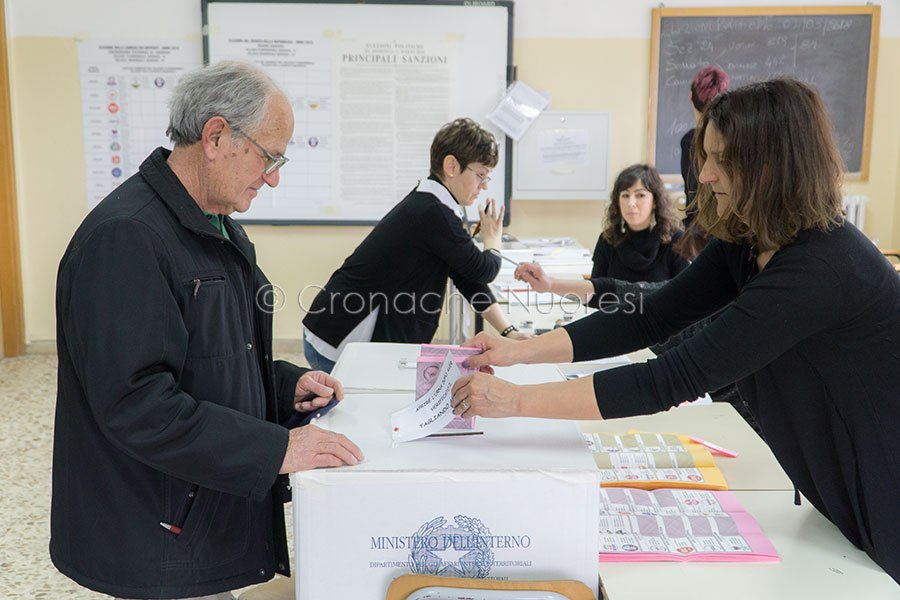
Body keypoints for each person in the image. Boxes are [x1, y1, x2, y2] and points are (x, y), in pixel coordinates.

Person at [451, 78, 900, 584]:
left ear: (774, 167)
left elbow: (672, 378)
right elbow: (652, 316)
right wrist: (520, 351)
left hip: (880, 478)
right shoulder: (750, 239)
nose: (704, 174)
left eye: (720, 160)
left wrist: (515, 402)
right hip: (831, 473)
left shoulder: (821, 267)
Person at [51, 61, 364, 600]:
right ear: (216, 136)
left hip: (198, 513)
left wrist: (282, 384)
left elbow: (210, 356)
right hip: (156, 533)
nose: (273, 177)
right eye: (269, 157)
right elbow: (138, 403)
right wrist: (275, 450)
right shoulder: (128, 238)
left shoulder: (213, 227)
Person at [302, 117, 529, 373]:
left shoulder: (435, 207)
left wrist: (508, 332)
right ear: (452, 165)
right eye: (481, 175)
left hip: (338, 332)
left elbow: (467, 277)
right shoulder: (432, 212)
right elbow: (483, 269)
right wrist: (492, 240)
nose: (484, 186)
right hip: (343, 340)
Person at [588, 164, 688, 287]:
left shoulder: (676, 240)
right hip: (615, 307)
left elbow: (684, 293)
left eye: (640, 195)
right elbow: (595, 292)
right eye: (625, 195)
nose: (631, 203)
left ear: (655, 201)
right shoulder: (607, 240)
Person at [675, 65, 729, 258]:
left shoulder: (690, 141)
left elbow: (693, 194)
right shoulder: (731, 139)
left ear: (691, 97)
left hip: (702, 233)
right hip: (727, 228)